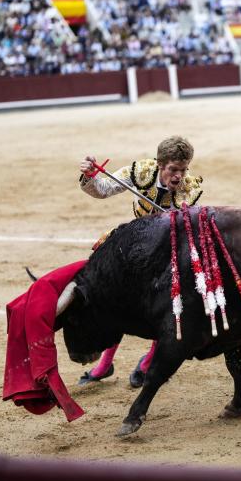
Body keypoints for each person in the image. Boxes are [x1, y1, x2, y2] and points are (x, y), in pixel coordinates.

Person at [77, 135, 204, 388]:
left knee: (167, 303)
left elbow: (187, 226)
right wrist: (90, 176)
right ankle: (104, 365)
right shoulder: (141, 171)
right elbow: (102, 190)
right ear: (159, 164)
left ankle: (148, 362)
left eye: (183, 169)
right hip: (134, 242)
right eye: (173, 170)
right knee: (115, 299)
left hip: (166, 249)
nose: (179, 176)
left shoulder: (190, 189)